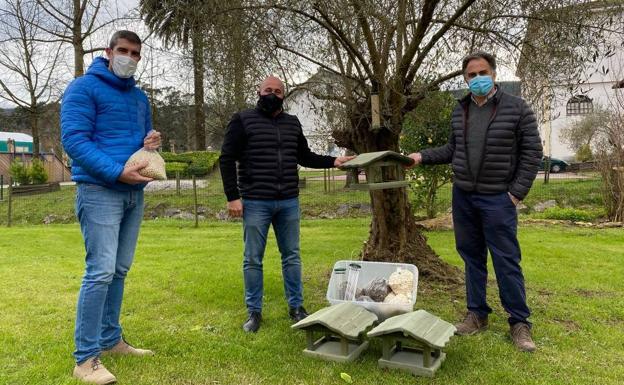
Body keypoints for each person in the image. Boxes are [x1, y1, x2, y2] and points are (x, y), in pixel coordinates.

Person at [407, 52, 542, 352]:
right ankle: (476, 314)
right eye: (471, 74)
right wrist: (420, 156)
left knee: (506, 260)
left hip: (498, 198)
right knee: (471, 258)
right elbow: (451, 149)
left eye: (483, 72)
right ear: (465, 79)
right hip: (464, 197)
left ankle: (519, 323)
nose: (477, 78)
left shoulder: (517, 108)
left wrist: (515, 193)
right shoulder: (461, 109)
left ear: (494, 74)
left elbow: (533, 153)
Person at [61, 30, 161, 384]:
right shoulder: (82, 88)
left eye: (136, 53)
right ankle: (85, 359)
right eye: (124, 51)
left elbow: (139, 140)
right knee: (100, 271)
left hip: (134, 193)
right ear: (108, 51)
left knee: (119, 270)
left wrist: (150, 141)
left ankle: (111, 340)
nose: (129, 58)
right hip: (99, 190)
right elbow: (74, 139)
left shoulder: (138, 97)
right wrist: (117, 172)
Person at [219, 76, 353, 333]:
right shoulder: (242, 120)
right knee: (252, 259)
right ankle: (254, 311)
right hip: (256, 200)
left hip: (288, 201)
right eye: (268, 90)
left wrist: (333, 162)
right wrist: (232, 197)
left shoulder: (292, 123)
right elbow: (226, 159)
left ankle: (296, 307)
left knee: (291, 256)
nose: (272, 94)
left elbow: (304, 156)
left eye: (278, 91)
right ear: (258, 92)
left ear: (284, 95)